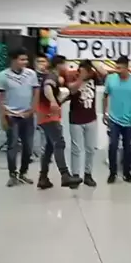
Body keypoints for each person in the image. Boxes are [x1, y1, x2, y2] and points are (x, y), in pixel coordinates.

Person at [34, 55, 82, 189]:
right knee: (59, 143)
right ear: (59, 65)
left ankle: (43, 178)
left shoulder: (55, 77)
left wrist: (63, 99)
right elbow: (47, 88)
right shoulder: (52, 76)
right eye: (65, 64)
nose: (66, 67)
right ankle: (65, 175)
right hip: (48, 116)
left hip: (46, 115)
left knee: (50, 147)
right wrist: (53, 102)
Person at [0, 48, 39, 187]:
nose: (25, 62)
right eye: (22, 59)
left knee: (28, 146)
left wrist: (32, 110)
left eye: (26, 59)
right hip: (11, 115)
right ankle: (12, 175)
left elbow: (36, 92)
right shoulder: (2, 76)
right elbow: (0, 98)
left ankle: (23, 173)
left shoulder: (31, 74)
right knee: (12, 145)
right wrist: (3, 116)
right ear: (13, 60)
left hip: (28, 115)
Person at [103, 56, 131, 184]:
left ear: (127, 68)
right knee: (113, 145)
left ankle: (127, 173)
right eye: (116, 67)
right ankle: (112, 173)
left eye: (120, 68)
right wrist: (105, 112)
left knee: (128, 147)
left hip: (130, 120)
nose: (117, 70)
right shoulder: (110, 79)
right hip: (114, 119)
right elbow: (105, 95)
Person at [66, 60, 106, 187]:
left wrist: (93, 64)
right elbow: (72, 90)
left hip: (91, 118)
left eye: (87, 71)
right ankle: (75, 175)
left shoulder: (93, 77)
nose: (85, 73)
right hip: (76, 120)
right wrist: (81, 79)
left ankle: (88, 174)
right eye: (82, 71)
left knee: (90, 149)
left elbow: (104, 74)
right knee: (76, 149)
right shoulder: (73, 77)